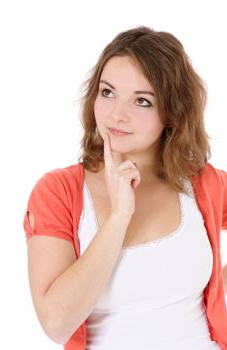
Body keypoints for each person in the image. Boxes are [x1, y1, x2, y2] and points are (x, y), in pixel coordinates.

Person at [23, 26, 227, 350]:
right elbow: (57, 324)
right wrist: (119, 216)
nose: (117, 115)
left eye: (142, 101)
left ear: (172, 112)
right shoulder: (58, 192)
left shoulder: (204, 184)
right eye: (107, 92)